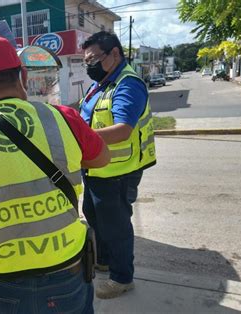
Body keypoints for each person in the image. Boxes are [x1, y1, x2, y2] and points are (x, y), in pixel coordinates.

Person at [0, 35, 110, 313]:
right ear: (23, 76)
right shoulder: (63, 118)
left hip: (2, 276)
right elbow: (102, 158)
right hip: (65, 264)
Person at [79, 31, 156, 299]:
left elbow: (123, 129)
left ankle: (122, 278)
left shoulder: (128, 83)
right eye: (85, 61)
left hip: (117, 171)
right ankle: (106, 260)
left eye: (93, 59)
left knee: (116, 226)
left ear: (115, 54)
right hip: (95, 168)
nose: (89, 65)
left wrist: (78, 139)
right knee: (92, 213)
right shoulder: (101, 83)